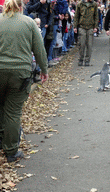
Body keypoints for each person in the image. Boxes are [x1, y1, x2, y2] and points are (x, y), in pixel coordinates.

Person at [0, 0, 48, 162]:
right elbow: (39, 49)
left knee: (1, 107)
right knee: (13, 111)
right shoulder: (29, 23)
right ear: (21, 7)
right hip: (20, 73)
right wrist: (44, 70)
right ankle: (11, 150)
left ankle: (2, 140)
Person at [73, 0, 98, 66]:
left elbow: (96, 16)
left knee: (89, 45)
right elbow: (76, 16)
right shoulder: (80, 4)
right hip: (82, 27)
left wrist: (95, 27)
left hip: (90, 27)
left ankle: (87, 60)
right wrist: (75, 26)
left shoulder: (94, 4)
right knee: (82, 44)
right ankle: (81, 59)